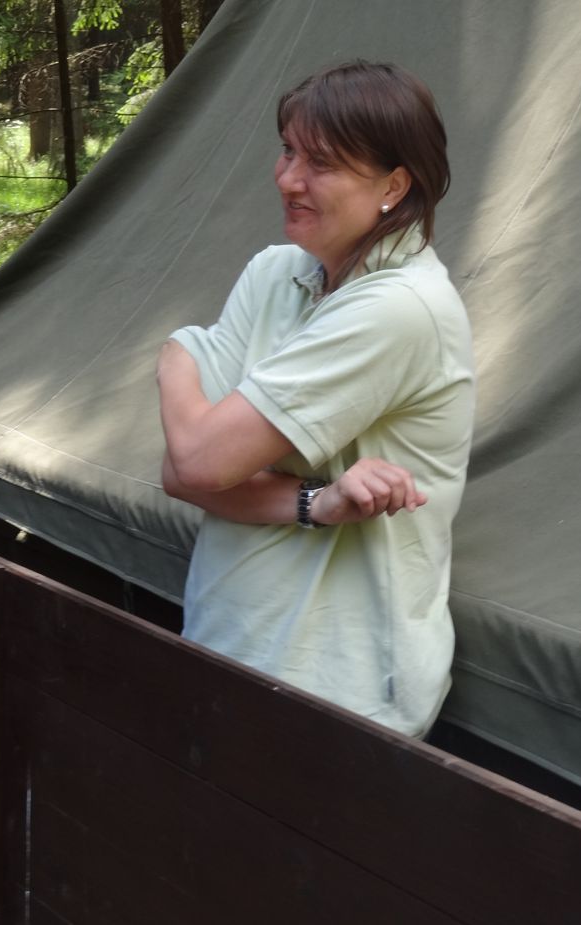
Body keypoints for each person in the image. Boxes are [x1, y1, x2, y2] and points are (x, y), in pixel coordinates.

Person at [157, 60, 474, 738]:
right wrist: (316, 501)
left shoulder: (399, 307)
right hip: (225, 646)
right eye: (288, 151)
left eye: (321, 163)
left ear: (394, 185)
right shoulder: (276, 273)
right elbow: (183, 472)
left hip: (334, 692)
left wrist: (175, 356)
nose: (288, 179)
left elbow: (201, 460)